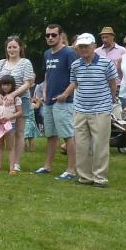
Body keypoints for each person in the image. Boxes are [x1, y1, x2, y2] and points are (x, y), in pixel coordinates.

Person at [65, 33, 119, 187]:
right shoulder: (76, 65)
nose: (83, 49)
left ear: (94, 46)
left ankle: (100, 178)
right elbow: (74, 83)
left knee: (100, 145)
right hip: (80, 109)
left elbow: (112, 84)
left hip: (100, 110)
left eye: (86, 46)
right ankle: (84, 177)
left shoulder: (106, 63)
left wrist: (110, 100)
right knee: (81, 145)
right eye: (80, 46)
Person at [35, 24, 78, 179]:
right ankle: (47, 166)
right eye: (47, 35)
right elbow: (47, 75)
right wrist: (45, 91)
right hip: (49, 102)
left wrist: (65, 94)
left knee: (68, 135)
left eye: (54, 35)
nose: (50, 38)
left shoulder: (69, 53)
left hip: (64, 102)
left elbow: (76, 78)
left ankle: (71, 170)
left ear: (60, 35)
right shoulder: (47, 54)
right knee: (51, 135)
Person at [0, 37, 35, 172]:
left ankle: (16, 164)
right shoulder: (1, 63)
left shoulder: (25, 63)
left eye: (14, 47)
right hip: (1, 102)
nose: (12, 50)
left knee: (18, 132)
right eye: (9, 47)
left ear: (20, 48)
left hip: (20, 100)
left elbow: (28, 83)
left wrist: (13, 95)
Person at [0, 76, 20, 173]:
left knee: (10, 146)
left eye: (8, 85)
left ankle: (12, 168)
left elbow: (20, 112)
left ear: (12, 86)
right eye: (3, 85)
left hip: (10, 125)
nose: (5, 87)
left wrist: (9, 118)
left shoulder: (16, 98)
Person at [26, 81, 44, 151]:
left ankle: (24, 147)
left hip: (25, 124)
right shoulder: (32, 105)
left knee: (24, 137)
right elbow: (37, 106)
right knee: (31, 138)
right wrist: (38, 100)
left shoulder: (22, 106)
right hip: (32, 124)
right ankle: (32, 148)